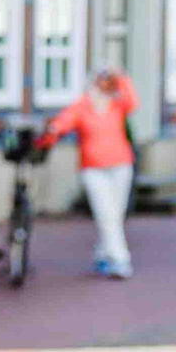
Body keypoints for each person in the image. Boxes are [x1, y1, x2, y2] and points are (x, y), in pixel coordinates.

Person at [36, 66, 140, 277]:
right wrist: (50, 134)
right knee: (105, 213)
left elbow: (133, 100)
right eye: (99, 81)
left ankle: (103, 255)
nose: (103, 86)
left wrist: (119, 76)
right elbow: (63, 122)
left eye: (107, 82)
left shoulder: (117, 105)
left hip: (121, 165)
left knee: (115, 215)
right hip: (93, 168)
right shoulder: (82, 106)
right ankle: (120, 260)